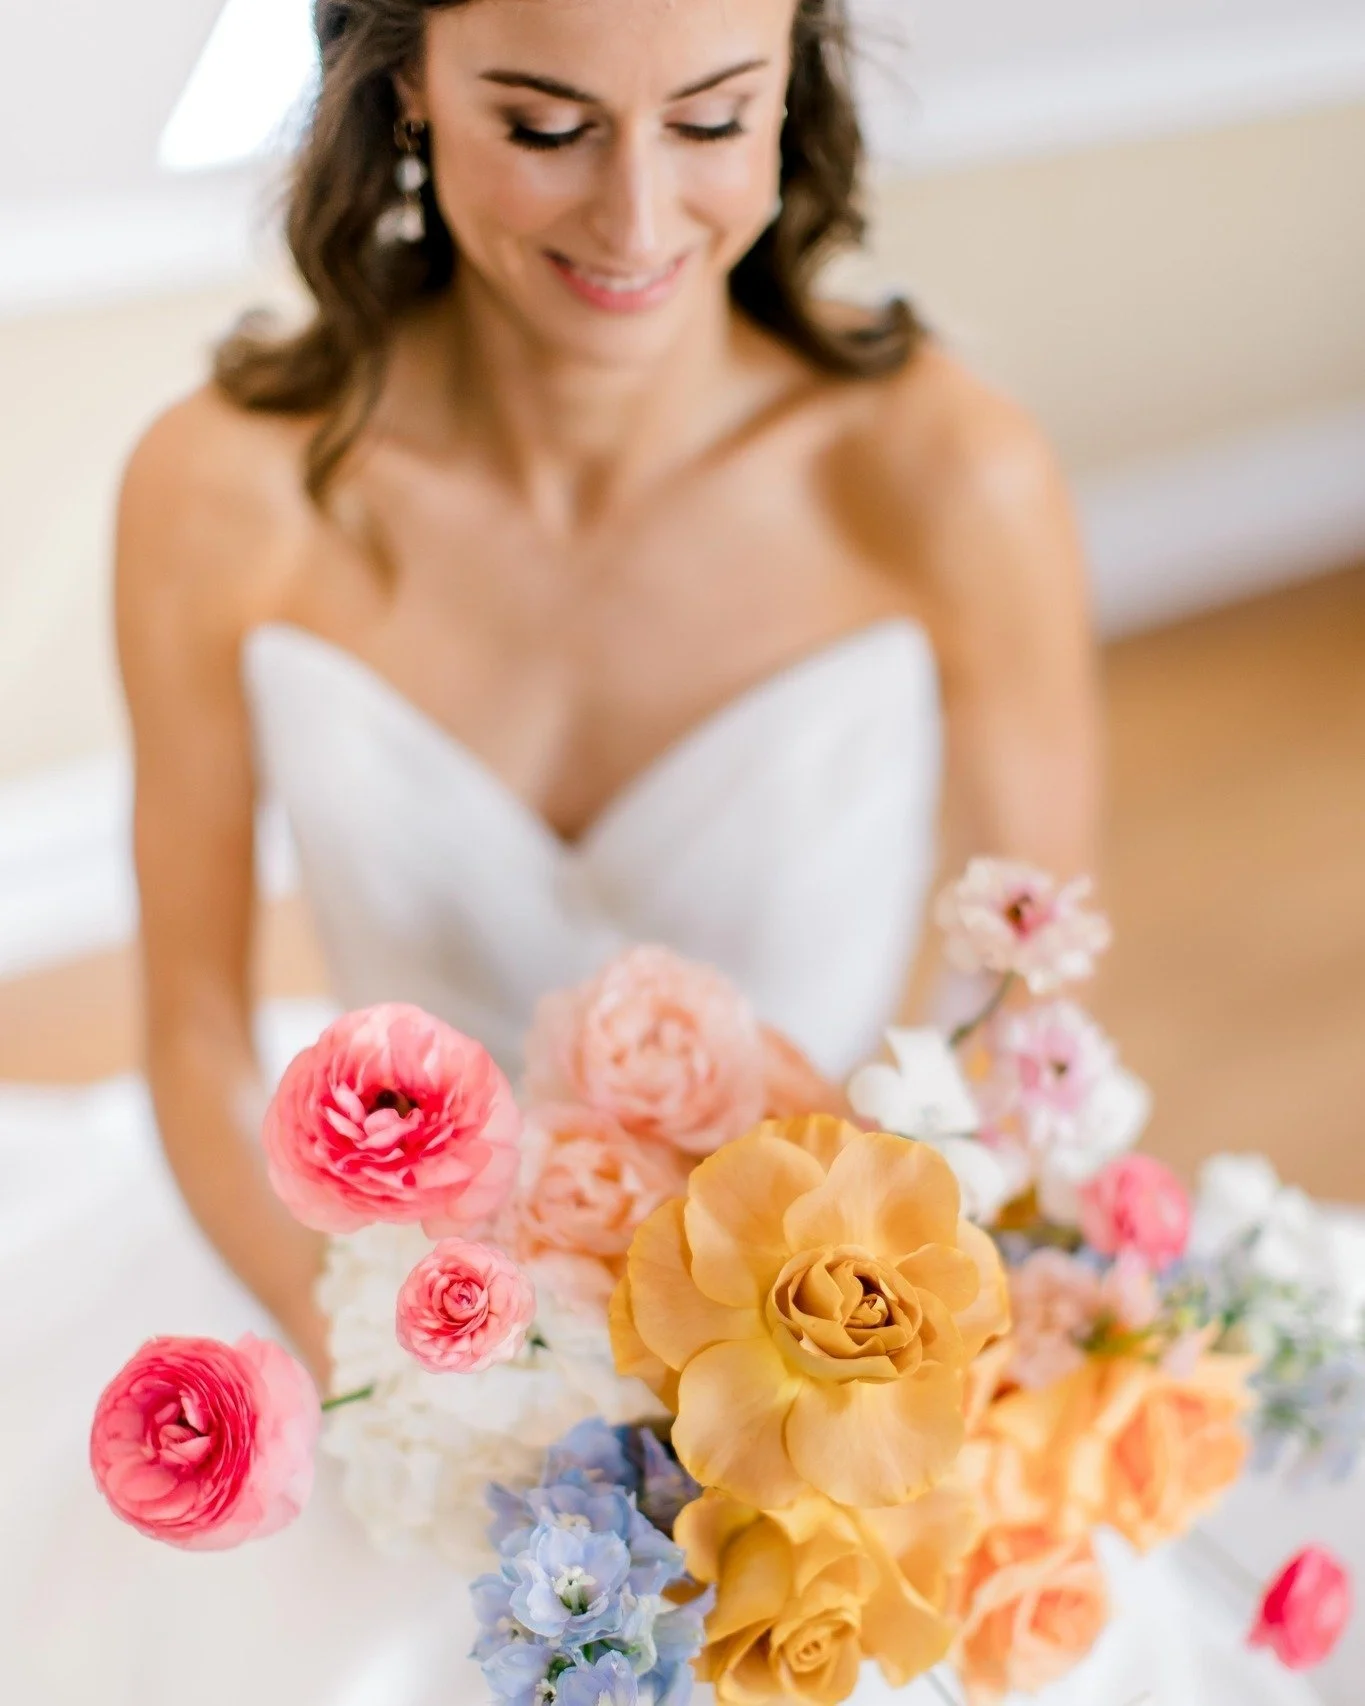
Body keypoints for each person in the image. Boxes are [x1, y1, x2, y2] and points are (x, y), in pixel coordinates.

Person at [8, 2, 1325, 1703]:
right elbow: (189, 1026)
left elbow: (1022, 1014)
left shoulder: (945, 473)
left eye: (711, 122)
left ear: (797, 90)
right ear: (402, 85)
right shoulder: (220, 488)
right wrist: (414, 1410)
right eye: (546, 129)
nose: (636, 224)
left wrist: (801, 1411)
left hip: (814, 1361)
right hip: (379, 1321)